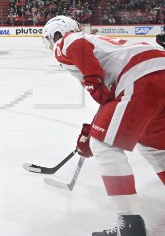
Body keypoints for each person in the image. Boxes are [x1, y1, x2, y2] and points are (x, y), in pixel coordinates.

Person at [43, 15, 165, 236]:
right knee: (154, 147)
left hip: (141, 77)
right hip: (155, 74)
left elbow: (76, 47)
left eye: (51, 39)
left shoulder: (68, 41)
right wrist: (94, 127)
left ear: (58, 34)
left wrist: (92, 80)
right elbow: (110, 99)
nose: (52, 46)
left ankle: (129, 225)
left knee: (104, 144)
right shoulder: (102, 46)